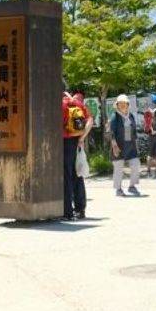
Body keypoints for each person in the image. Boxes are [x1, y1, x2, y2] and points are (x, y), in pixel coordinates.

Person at [62, 91, 93, 220]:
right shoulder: (78, 104)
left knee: (66, 176)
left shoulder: (59, 103)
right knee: (77, 175)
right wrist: (82, 138)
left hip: (63, 142)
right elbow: (90, 121)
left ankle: (67, 212)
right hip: (76, 141)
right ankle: (80, 210)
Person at [110, 94, 142, 197]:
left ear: (128, 104)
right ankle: (118, 189)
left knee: (136, 164)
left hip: (131, 146)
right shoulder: (115, 116)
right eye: (120, 103)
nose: (122, 105)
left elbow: (134, 133)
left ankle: (132, 186)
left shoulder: (131, 116)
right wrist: (114, 146)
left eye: (124, 103)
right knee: (118, 168)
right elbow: (112, 133)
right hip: (119, 146)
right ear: (117, 105)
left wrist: (136, 146)